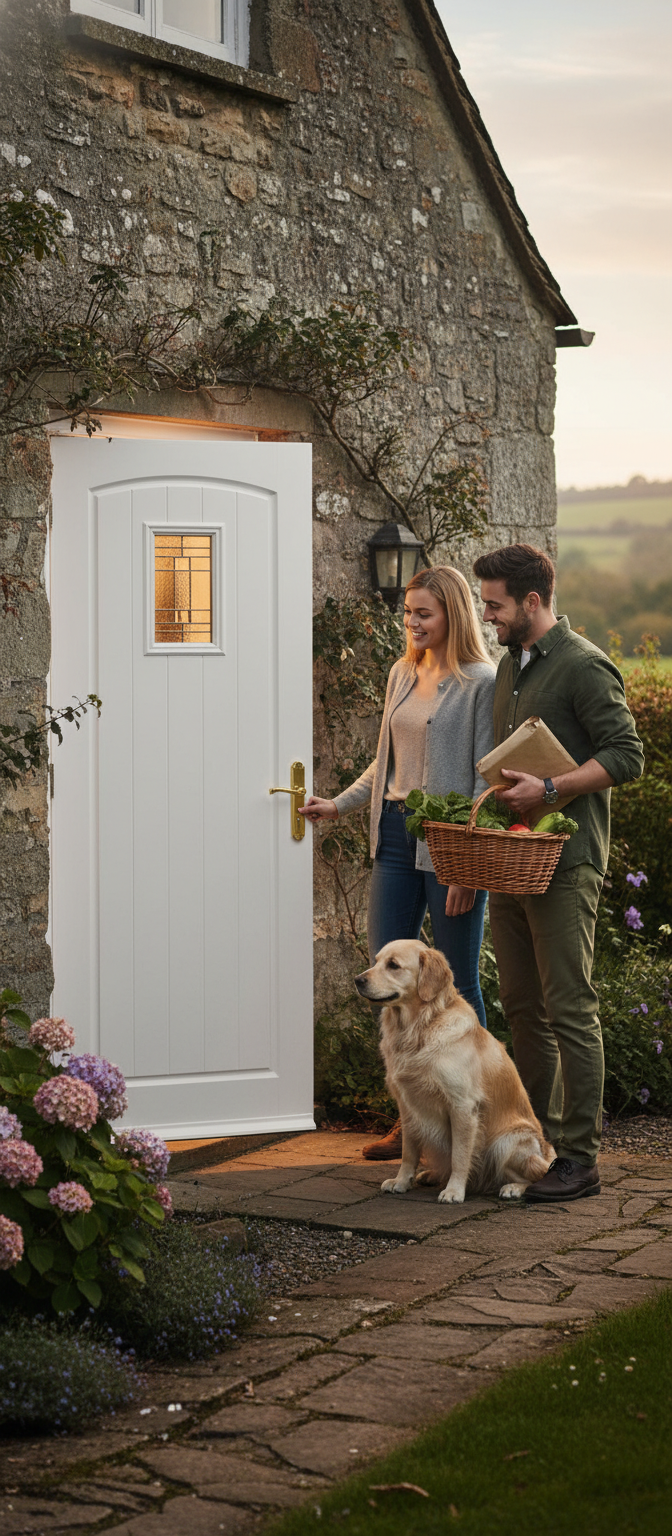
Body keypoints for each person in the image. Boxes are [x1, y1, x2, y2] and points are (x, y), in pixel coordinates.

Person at [300, 565, 496, 1160]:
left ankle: (478, 1119)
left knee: (455, 980)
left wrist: (464, 865)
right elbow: (384, 763)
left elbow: (488, 777)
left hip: (449, 843)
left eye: (423, 614)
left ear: (453, 615)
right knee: (390, 978)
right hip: (391, 834)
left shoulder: (480, 682)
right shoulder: (401, 673)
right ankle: (411, 1123)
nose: (411, 622)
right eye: (408, 613)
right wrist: (338, 804)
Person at [472, 542, 645, 1202]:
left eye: (496, 605)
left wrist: (549, 791)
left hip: (566, 863)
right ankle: (535, 1143)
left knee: (569, 1008)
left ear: (533, 602)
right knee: (521, 1006)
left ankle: (580, 1157)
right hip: (513, 862)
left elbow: (627, 757)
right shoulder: (508, 667)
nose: (488, 615)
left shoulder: (584, 665)